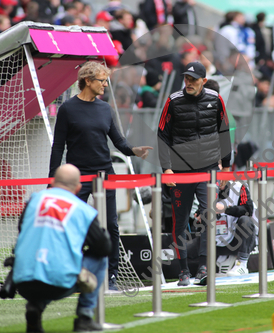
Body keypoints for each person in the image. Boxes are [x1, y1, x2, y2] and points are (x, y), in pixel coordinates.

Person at [48, 62, 152, 290]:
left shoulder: (105, 109)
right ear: (87, 80)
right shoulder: (67, 109)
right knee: (73, 226)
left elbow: (119, 142)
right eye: (102, 80)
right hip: (77, 179)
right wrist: (52, 181)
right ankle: (72, 273)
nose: (105, 85)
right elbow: (58, 147)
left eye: (106, 80)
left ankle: (111, 277)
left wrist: (134, 150)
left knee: (111, 226)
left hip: (106, 175)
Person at [13, 164, 112, 333]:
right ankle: (84, 317)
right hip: (59, 283)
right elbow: (104, 247)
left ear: (53, 182)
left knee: (42, 271)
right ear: (79, 188)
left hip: (23, 282)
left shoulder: (34, 200)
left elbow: (22, 230)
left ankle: (35, 307)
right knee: (100, 259)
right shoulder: (82, 209)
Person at [157, 61, 231, 286]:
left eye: (193, 80)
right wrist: (167, 169)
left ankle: (204, 267)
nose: (188, 83)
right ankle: (183, 271)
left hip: (208, 168)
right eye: (186, 78)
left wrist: (226, 167)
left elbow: (224, 133)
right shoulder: (173, 101)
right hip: (180, 171)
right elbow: (162, 135)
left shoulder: (216, 99)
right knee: (180, 221)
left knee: (210, 216)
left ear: (204, 81)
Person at [215, 179, 258, 276]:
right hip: (215, 240)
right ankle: (203, 266)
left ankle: (241, 263)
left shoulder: (239, 187)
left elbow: (248, 210)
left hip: (236, 239)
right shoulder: (204, 188)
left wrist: (226, 209)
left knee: (245, 221)